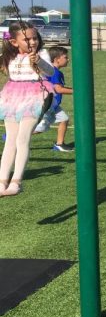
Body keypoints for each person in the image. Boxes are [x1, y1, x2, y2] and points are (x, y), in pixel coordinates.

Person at [0, 21, 55, 196]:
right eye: (27, 39)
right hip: (13, 96)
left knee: (22, 139)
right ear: (14, 42)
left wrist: (38, 62)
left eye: (34, 38)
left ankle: (16, 181)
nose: (32, 42)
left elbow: (51, 72)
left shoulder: (41, 53)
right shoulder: (9, 56)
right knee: (10, 140)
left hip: (35, 95)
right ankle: (2, 182)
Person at [33, 46, 74, 152]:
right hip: (48, 104)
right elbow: (58, 89)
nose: (68, 59)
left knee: (64, 119)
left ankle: (59, 144)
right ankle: (14, 136)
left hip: (53, 104)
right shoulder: (55, 72)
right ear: (57, 59)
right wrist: (77, 91)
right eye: (65, 57)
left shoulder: (52, 70)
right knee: (41, 128)